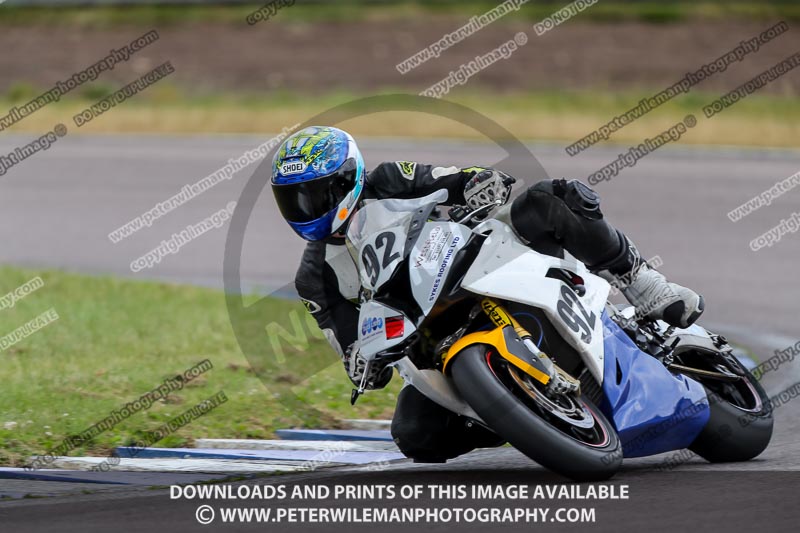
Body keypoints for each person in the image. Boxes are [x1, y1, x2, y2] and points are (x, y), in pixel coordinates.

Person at [271, 126, 704, 462]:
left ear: (348, 178)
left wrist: (480, 182)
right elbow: (349, 347)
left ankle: (642, 283)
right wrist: (363, 365)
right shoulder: (314, 280)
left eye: (314, 195)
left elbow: (450, 179)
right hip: (427, 340)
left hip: (473, 266)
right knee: (414, 434)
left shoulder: (387, 181)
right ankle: (510, 414)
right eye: (293, 201)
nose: (305, 210)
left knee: (552, 198)